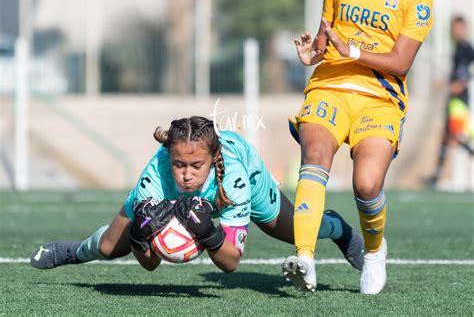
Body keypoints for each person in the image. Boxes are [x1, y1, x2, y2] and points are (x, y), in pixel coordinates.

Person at [282, 0, 436, 295]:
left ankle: (372, 251)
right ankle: (304, 258)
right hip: (329, 86)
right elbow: (323, 41)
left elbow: (400, 63)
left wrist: (352, 50)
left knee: (366, 185)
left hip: (379, 99)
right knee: (314, 157)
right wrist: (309, 55)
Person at [30, 116, 364, 274]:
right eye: (179, 164)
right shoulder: (155, 176)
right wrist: (139, 236)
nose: (187, 173)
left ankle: (336, 227)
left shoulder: (233, 179)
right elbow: (150, 266)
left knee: (293, 231)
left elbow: (231, 263)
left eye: (195, 165)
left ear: (212, 158)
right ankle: (72, 251)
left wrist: (209, 232)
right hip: (170, 200)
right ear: (168, 158)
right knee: (107, 247)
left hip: (249, 173)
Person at [427, 15, 474, 186]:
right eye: (454, 28)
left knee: (455, 136)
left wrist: (461, 83)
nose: (456, 31)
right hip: (453, 98)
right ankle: (436, 175)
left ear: (465, 28)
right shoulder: (457, 48)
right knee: (445, 136)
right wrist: (446, 82)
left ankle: (471, 153)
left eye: (459, 28)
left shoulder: (467, 48)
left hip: (460, 100)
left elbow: (467, 71)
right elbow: (456, 73)